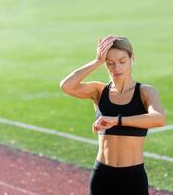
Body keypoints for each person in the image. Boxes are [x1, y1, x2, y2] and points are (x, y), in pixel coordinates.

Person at [59, 35, 166, 195]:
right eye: (110, 63)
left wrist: (116, 120)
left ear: (132, 58)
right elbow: (66, 86)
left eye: (122, 61)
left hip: (133, 177)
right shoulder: (99, 91)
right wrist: (96, 61)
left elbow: (159, 118)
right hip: (102, 175)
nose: (116, 68)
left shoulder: (145, 92)